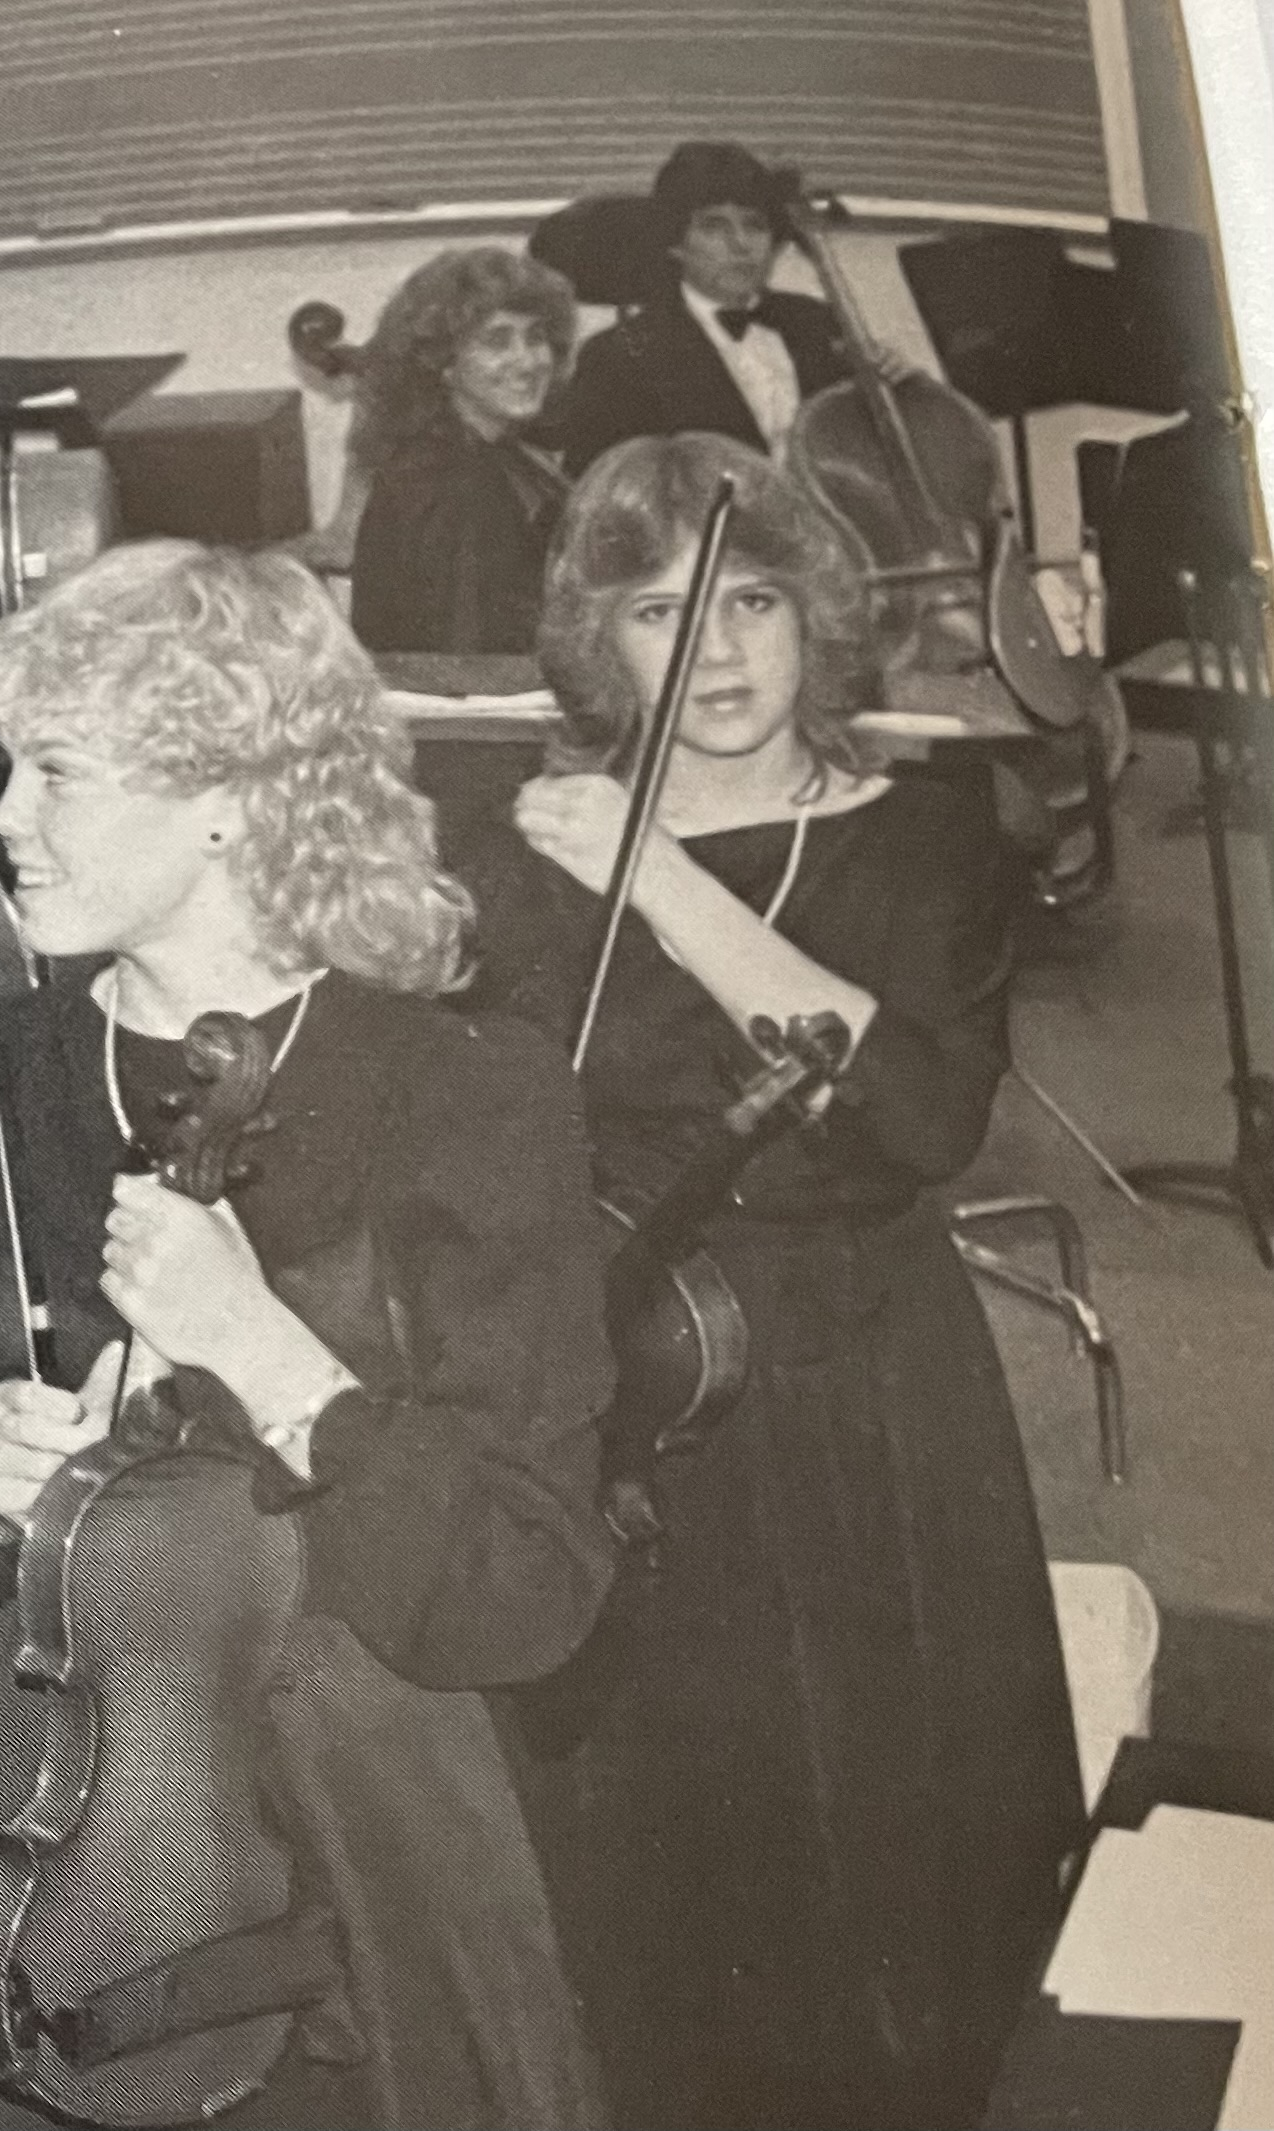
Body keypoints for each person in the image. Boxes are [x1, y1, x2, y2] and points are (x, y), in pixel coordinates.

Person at [0, 542, 618, 2129]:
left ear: (227, 792)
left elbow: (530, 1586)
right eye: (5, 770)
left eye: (57, 772)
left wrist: (269, 1356)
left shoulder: (468, 1095)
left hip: (367, 1843)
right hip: (62, 1833)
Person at [464, 433, 1086, 2130]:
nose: (720, 650)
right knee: (665, 1877)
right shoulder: (537, 855)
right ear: (607, 644)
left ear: (815, 612)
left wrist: (654, 879)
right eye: (663, 610)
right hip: (631, 1395)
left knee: (893, 1874)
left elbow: (917, 1116)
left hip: (859, 1387)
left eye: (750, 596)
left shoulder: (929, 839)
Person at [542, 141, 853, 474]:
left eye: (754, 225)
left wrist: (896, 387)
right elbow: (601, 492)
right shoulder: (616, 355)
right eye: (714, 226)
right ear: (676, 244)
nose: (741, 245)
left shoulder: (817, 321)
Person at [347, 245, 579, 656]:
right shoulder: (445, 479)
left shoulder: (495, 451)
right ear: (443, 361)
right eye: (497, 341)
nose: (526, 361)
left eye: (536, 337)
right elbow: (469, 662)